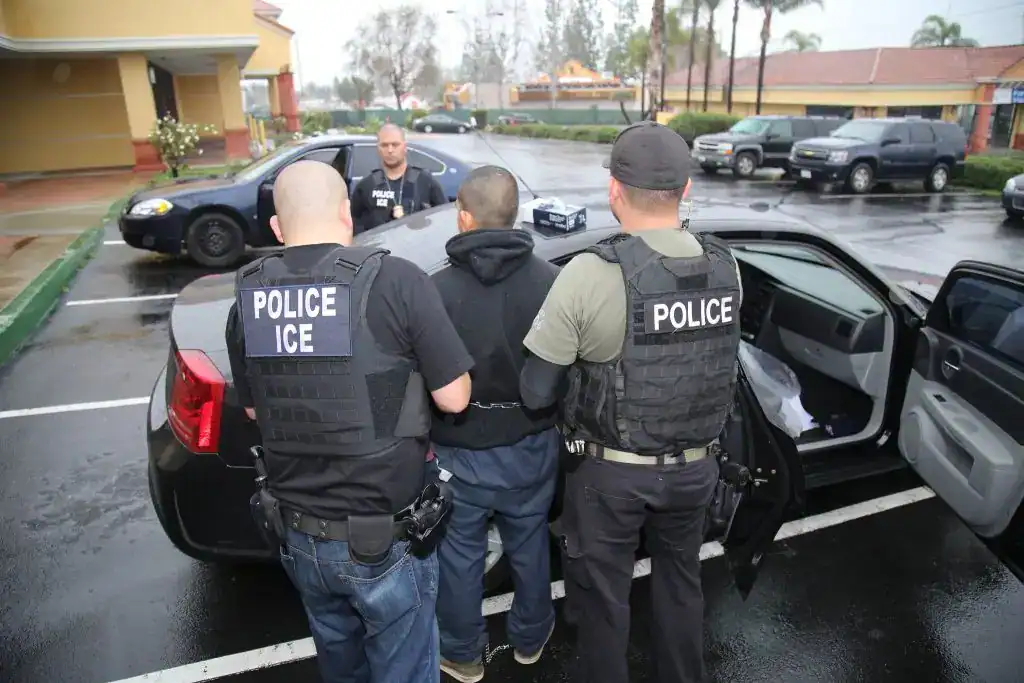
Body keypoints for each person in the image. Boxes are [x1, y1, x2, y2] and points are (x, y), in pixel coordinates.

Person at [225, 160, 475, 683]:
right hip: (383, 538)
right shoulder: (396, 280)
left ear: (276, 228)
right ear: (347, 215)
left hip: (299, 534)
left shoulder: (248, 299)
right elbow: (454, 399)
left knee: (341, 664)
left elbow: (255, 411)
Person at [519, 121, 744, 683]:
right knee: (680, 586)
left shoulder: (590, 274)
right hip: (697, 470)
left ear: (614, 192)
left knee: (602, 605)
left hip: (609, 478)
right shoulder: (727, 266)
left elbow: (535, 390)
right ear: (685, 190)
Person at [428, 166, 561, 683]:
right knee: (529, 542)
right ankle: (530, 639)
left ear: (464, 217)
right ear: (513, 216)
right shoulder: (552, 281)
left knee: (459, 555)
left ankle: (462, 654)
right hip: (531, 440)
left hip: (458, 448)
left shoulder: (432, 289)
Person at [350, 123, 448, 234]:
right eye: (384, 145)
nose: (390, 150)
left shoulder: (425, 181)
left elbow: (442, 219)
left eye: (395, 145)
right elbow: (354, 223)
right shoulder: (366, 186)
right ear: (378, 148)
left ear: (405, 147)